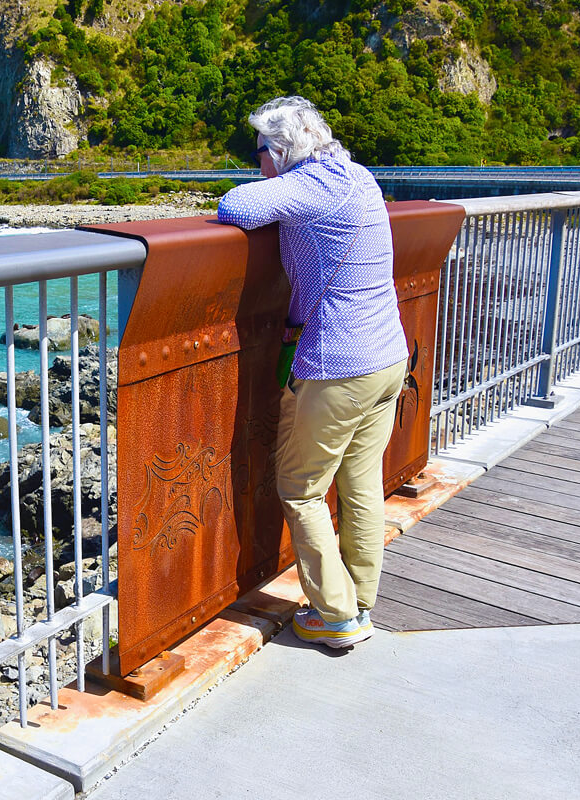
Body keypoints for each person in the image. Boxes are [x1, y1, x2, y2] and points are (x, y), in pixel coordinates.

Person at [217, 96, 408, 649]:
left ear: (279, 151)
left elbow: (236, 207)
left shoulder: (313, 184)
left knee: (300, 489)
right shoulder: (357, 175)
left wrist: (270, 179)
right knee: (360, 483)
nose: (257, 163)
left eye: (259, 152)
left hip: (337, 366)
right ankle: (360, 599)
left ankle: (338, 616)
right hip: (387, 357)